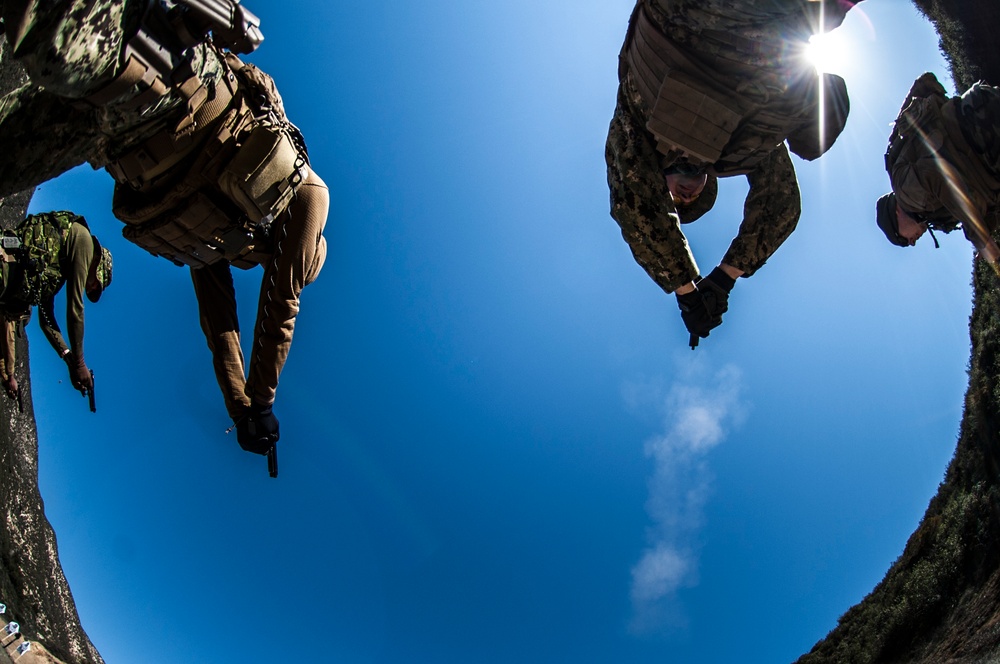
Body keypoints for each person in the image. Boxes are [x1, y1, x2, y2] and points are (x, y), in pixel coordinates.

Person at [0, 0, 329, 469]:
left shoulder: (226, 237)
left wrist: (241, 408)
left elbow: (220, 326)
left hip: (116, 139)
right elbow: (280, 305)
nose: (267, 263)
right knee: (48, 30)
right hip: (167, 80)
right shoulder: (310, 195)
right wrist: (262, 402)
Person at [606, 0, 858, 346]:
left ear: (659, 184)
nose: (685, 197)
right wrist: (725, 277)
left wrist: (686, 291)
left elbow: (634, 204)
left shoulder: (637, 126)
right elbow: (780, 206)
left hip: (685, 18)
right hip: (779, 23)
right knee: (812, 140)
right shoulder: (735, 150)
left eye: (675, 201)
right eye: (692, 200)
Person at [876, 72, 1000, 266]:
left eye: (903, 239)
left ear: (896, 214)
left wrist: (981, 238)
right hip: (985, 136)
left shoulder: (905, 192)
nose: (912, 242)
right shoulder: (932, 212)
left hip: (982, 130)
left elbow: (940, 175)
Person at [0, 211, 113, 404]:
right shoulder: (84, 242)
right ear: (98, 263)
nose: (91, 287)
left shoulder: (59, 268)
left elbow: (46, 321)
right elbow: (75, 308)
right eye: (96, 285)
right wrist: (80, 362)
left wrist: (69, 359)